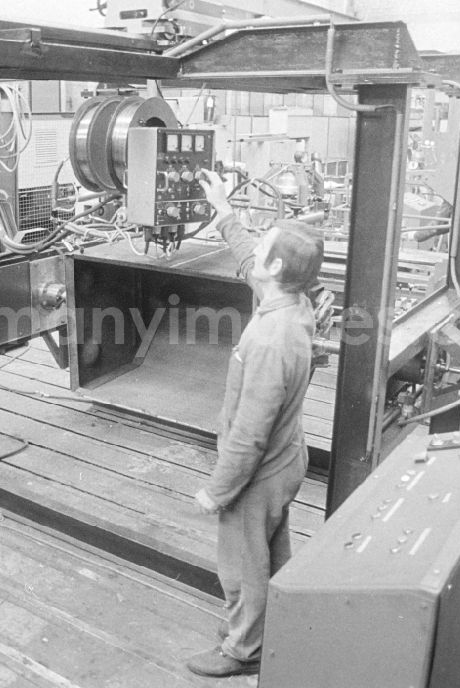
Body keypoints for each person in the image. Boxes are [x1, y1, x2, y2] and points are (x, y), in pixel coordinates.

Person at [185, 170, 324, 678]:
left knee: (243, 566)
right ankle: (271, 626)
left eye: (267, 243)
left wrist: (217, 492)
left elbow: (249, 435)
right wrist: (222, 209)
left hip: (258, 470)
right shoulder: (290, 301)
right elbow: (251, 259)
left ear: (279, 265)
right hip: (287, 460)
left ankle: (244, 650)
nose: (257, 248)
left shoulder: (270, 340)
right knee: (270, 552)